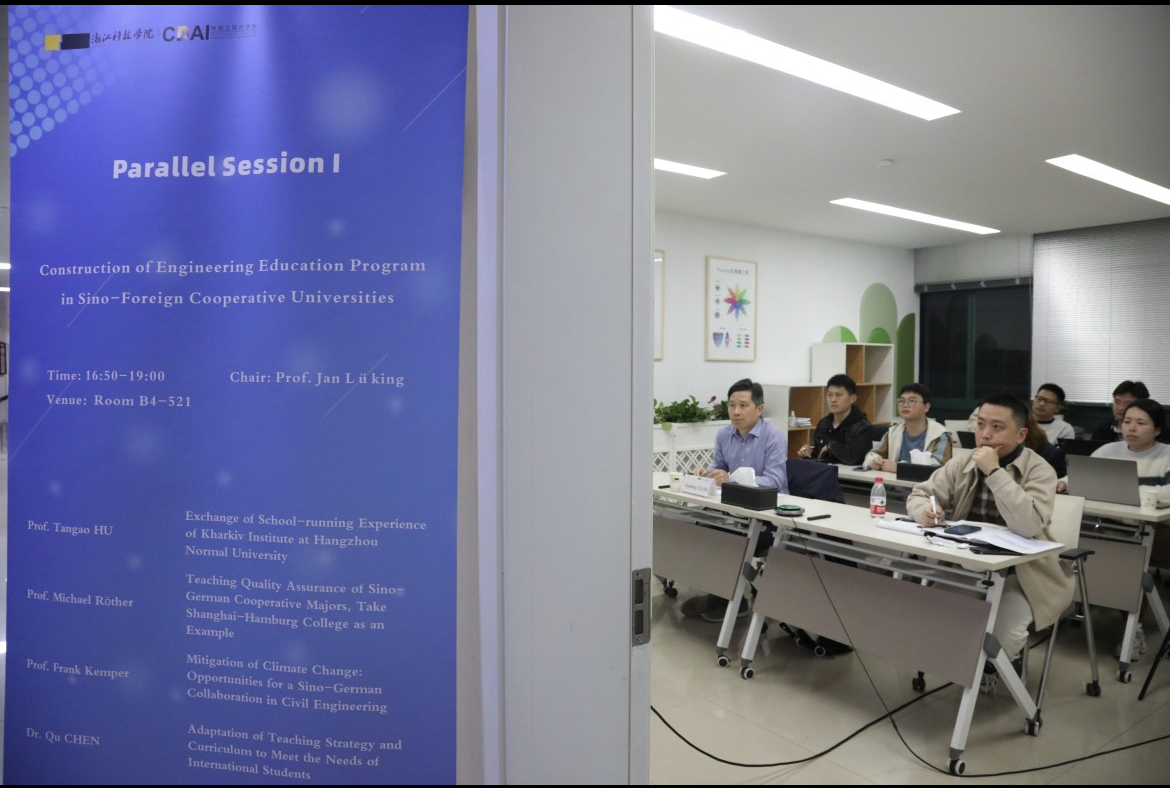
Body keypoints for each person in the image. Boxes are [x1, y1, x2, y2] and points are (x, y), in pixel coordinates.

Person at [907, 392, 1073, 694]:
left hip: (1022, 575)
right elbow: (920, 493)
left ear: (1021, 434)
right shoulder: (962, 462)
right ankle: (969, 665)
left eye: (997, 427)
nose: (984, 434)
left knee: (998, 644)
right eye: (981, 424)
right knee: (932, 623)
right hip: (968, 566)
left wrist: (994, 472)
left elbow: (1028, 525)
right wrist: (924, 512)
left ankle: (1006, 665)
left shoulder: (1040, 470)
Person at [685, 378, 788, 621]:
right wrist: (706, 474)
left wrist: (731, 479)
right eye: (732, 405)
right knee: (702, 528)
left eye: (743, 405)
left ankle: (731, 600)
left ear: (759, 409)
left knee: (722, 536)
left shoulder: (773, 436)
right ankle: (723, 595)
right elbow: (718, 468)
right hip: (735, 511)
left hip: (768, 517)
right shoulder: (724, 435)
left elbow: (774, 481)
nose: (736, 411)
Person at [1089, 398, 1170, 661]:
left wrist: (1131, 491)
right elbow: (1084, 476)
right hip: (1111, 526)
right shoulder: (1108, 451)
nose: (1131, 428)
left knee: (1127, 562)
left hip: (1157, 532)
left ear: (1157, 429)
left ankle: (1134, 628)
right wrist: (1064, 482)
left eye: (1141, 423)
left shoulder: (1166, 456)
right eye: (1127, 422)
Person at [864, 382, 953, 472]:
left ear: (926, 407)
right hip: (893, 481)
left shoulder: (940, 434)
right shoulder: (893, 432)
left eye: (912, 401)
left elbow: (939, 467)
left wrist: (899, 468)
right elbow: (871, 455)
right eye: (901, 401)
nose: (905, 405)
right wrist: (874, 462)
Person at [797, 374, 873, 466]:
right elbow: (819, 453)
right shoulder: (824, 424)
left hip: (850, 474)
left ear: (852, 398)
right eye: (830, 395)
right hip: (826, 471)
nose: (833, 400)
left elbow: (852, 457)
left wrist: (831, 446)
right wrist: (809, 452)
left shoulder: (863, 427)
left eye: (838, 395)